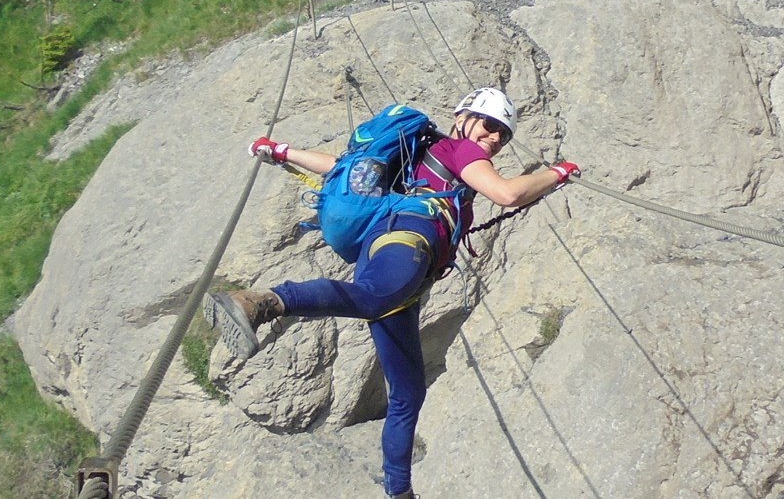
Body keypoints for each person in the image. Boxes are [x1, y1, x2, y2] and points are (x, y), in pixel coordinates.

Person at [210, 88, 579, 499]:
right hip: (407, 243)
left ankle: (399, 493)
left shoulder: (417, 153)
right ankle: (263, 302)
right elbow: (507, 194)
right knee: (373, 298)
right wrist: (557, 173)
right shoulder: (460, 151)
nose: (494, 138)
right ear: (463, 118)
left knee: (407, 392)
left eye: (503, 136)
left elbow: (342, 169)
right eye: (490, 126)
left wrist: (282, 151)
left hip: (392, 265)